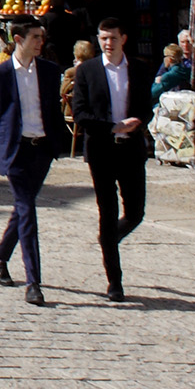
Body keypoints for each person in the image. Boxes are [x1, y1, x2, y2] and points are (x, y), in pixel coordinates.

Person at [0, 18, 70, 306]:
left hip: (41, 150)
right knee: (28, 212)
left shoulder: (49, 71)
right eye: (35, 37)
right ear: (18, 39)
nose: (40, 42)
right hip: (15, 151)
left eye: (42, 37)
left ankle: (0, 258)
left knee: (23, 210)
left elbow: (53, 112)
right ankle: (33, 282)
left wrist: (61, 145)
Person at [71, 18, 151, 303]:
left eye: (112, 38)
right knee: (107, 212)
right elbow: (80, 113)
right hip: (102, 150)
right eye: (103, 38)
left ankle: (108, 240)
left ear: (123, 39)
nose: (107, 43)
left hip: (131, 149)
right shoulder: (88, 71)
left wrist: (139, 121)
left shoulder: (139, 69)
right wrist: (112, 126)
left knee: (135, 212)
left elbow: (146, 107)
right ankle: (114, 281)